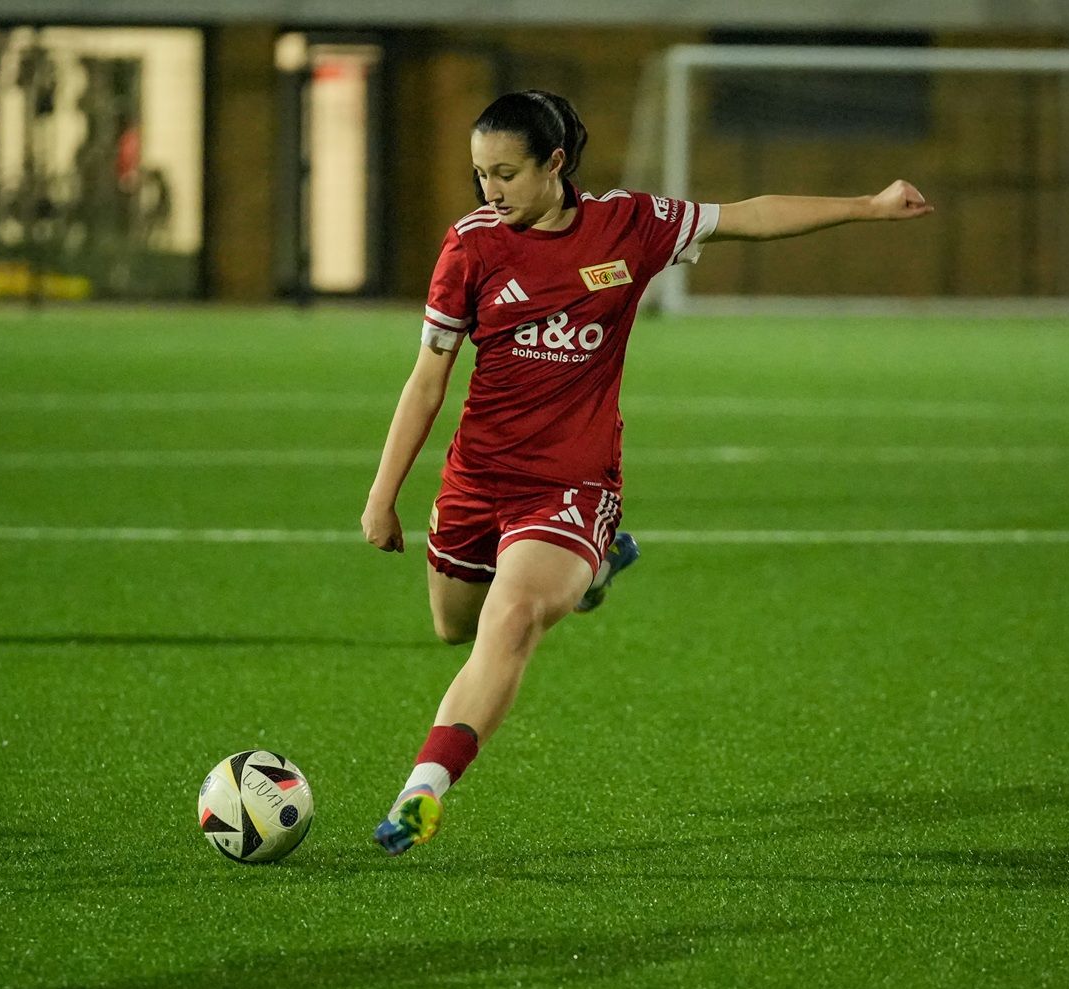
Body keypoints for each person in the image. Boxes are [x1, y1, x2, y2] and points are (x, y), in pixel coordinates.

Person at [360, 89, 932, 856]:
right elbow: (427, 377)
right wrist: (382, 496)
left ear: (555, 164)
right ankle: (593, 575)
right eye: (479, 176)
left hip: (571, 483)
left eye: (504, 174)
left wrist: (868, 204)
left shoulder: (630, 225)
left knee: (514, 620)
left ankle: (421, 791)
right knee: (452, 626)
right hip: (477, 478)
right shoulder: (471, 245)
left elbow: (748, 216)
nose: (489, 193)